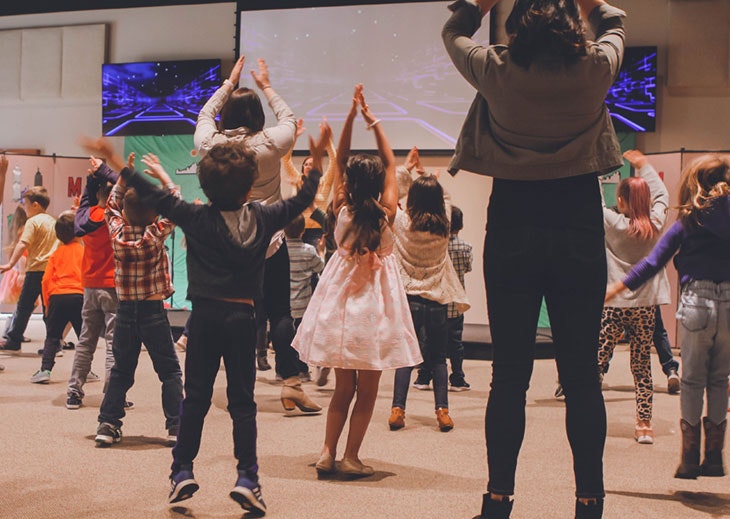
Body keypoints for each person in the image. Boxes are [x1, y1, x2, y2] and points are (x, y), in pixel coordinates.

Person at [443, 0, 626, 517]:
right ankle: (589, 503)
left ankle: (498, 500)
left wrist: (476, 7)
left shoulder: (495, 70)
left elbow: (453, 32)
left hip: (514, 221)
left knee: (509, 376)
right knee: (583, 376)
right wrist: (592, 6)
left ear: (515, 27)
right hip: (577, 221)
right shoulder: (593, 70)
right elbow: (614, 25)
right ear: (573, 27)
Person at [119, 131, 325, 513]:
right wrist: (318, 159)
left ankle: (181, 471)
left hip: (204, 319)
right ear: (250, 187)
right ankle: (248, 478)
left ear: (205, 185)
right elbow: (303, 200)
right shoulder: (265, 216)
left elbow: (157, 196)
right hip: (243, 319)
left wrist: (119, 167)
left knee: (194, 398)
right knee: (242, 403)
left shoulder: (195, 217)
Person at [293, 86, 421, 477]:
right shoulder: (387, 210)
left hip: (341, 305)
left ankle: (327, 453)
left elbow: (345, 158)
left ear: (347, 182)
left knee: (342, 389)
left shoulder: (340, 207)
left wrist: (349, 118)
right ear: (381, 182)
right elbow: (388, 159)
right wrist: (372, 119)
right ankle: (350, 457)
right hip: (376, 308)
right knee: (367, 391)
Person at [195, 55, 320, 413]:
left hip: (225, 243)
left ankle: (238, 390)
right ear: (255, 116)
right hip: (268, 242)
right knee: (280, 313)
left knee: (234, 314)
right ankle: (291, 384)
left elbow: (204, 116)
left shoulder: (212, 145)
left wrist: (228, 84)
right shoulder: (270, 143)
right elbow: (290, 120)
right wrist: (265, 85)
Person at [605, 153, 730, 480]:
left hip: (696, 304)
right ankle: (715, 457)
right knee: (719, 381)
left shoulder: (690, 220)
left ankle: (690, 459)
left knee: (692, 381)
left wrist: (618, 287)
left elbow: (653, 263)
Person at [88, 149, 183, 449]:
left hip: (125, 312)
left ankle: (108, 424)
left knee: (121, 370)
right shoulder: (156, 232)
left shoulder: (116, 231)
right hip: (154, 312)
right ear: (154, 213)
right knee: (169, 371)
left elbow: (111, 208)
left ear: (126, 213)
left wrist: (123, 178)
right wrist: (164, 177)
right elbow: (176, 204)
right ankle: (177, 427)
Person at [597, 149, 670, 445]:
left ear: (623, 201)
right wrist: (644, 166)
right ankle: (644, 425)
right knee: (642, 367)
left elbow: (592, 202)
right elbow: (663, 196)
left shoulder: (614, 225)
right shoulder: (655, 224)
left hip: (614, 305)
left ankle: (588, 413)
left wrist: (591, 170)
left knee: (598, 362)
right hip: (645, 308)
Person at [389, 173, 470, 433]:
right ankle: (442, 412)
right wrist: (430, 177)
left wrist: (409, 171)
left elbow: (398, 192)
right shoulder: (444, 226)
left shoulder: (402, 223)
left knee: (406, 359)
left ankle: (397, 410)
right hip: (437, 302)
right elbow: (446, 198)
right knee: (437, 359)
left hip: (409, 301)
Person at [66, 157, 120, 409]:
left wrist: (90, 181)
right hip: (113, 286)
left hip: (89, 285)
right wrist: (105, 172)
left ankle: (74, 391)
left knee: (86, 340)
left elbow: (83, 208)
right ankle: (112, 394)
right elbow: (128, 187)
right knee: (113, 343)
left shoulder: (88, 218)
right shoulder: (117, 217)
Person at [414, 205, 473, 391]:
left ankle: (423, 377)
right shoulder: (466, 247)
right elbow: (467, 268)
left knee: (428, 341)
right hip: (455, 303)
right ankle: (457, 378)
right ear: (461, 225)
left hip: (436, 300)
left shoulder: (437, 246)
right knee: (456, 343)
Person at [0, 186, 58, 352]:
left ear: (36, 205)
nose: (24, 208)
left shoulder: (32, 222)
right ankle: (55, 343)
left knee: (23, 306)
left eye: (25, 204)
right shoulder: (53, 222)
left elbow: (23, 244)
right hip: (50, 271)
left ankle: (13, 339)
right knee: (49, 309)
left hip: (35, 270)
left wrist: (11, 264)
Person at [30, 211, 83, 383]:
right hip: (79, 297)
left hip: (58, 298)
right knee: (84, 337)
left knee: (52, 336)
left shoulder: (56, 254)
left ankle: (45, 370)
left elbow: (46, 280)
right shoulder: (83, 252)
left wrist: (47, 305)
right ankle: (85, 370)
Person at [285, 214, 325, 329]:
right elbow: (320, 267)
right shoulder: (309, 250)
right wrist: (321, 251)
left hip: (285, 305)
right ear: (303, 230)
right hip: (303, 307)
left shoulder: (280, 251)